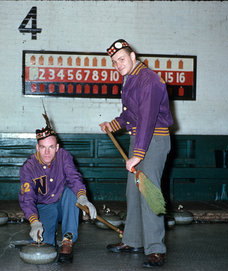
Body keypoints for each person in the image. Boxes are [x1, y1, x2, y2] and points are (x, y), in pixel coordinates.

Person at [99, 39, 173, 268]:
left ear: (133, 56)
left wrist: (138, 154)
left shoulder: (148, 79)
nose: (117, 64)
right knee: (133, 192)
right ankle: (132, 240)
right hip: (139, 138)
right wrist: (114, 124)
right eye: (114, 62)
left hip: (153, 139)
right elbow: (133, 114)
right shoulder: (131, 78)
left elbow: (148, 118)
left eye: (121, 59)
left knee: (149, 193)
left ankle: (156, 250)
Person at [18, 114, 97, 263]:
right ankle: (48, 233)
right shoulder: (28, 168)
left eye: (51, 147)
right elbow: (27, 198)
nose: (47, 152)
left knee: (72, 193)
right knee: (45, 246)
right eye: (43, 147)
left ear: (57, 147)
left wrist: (83, 197)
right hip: (45, 207)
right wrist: (34, 222)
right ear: (37, 147)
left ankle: (68, 240)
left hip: (63, 205)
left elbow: (74, 177)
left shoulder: (64, 156)